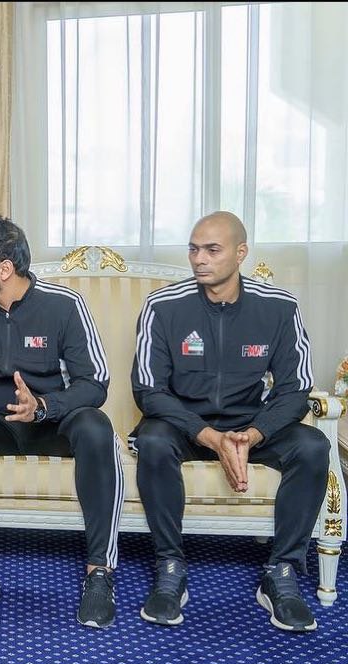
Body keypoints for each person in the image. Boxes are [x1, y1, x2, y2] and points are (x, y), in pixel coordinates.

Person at [131, 211, 328, 632]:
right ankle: (170, 566)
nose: (198, 259)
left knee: (313, 447)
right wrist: (207, 435)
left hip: (251, 425)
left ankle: (282, 571)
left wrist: (253, 434)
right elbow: (149, 390)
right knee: (152, 440)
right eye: (193, 249)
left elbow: (295, 390)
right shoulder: (163, 306)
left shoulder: (279, 306)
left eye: (212, 249)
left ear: (241, 253)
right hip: (185, 425)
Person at [0, 214, 125, 628]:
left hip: (49, 426)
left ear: (4, 269)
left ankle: (99, 573)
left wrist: (43, 406)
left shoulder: (64, 305)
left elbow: (95, 383)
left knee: (95, 426)